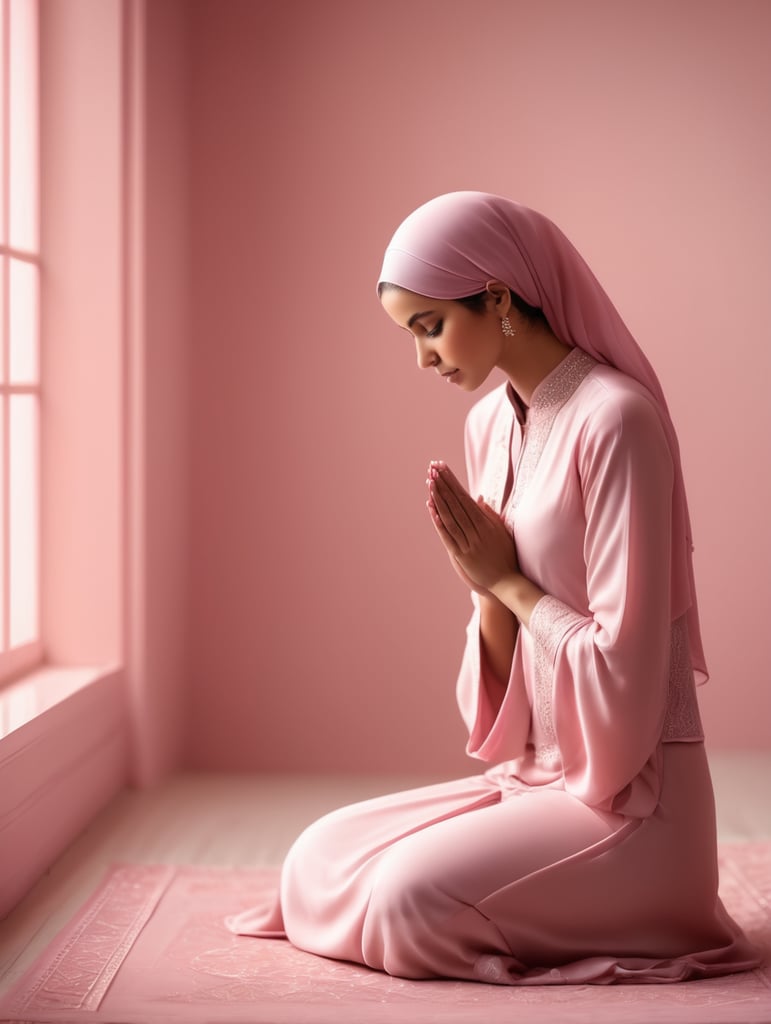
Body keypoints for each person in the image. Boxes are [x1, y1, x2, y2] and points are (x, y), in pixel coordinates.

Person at [228, 191, 761, 984]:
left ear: (500, 299)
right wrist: (483, 594)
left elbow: (629, 674)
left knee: (404, 903)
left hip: (635, 807)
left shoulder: (616, 421)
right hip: (533, 784)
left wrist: (502, 582)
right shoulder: (489, 426)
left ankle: (651, 909)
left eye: (430, 326)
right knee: (313, 861)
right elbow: (498, 717)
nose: (423, 359)